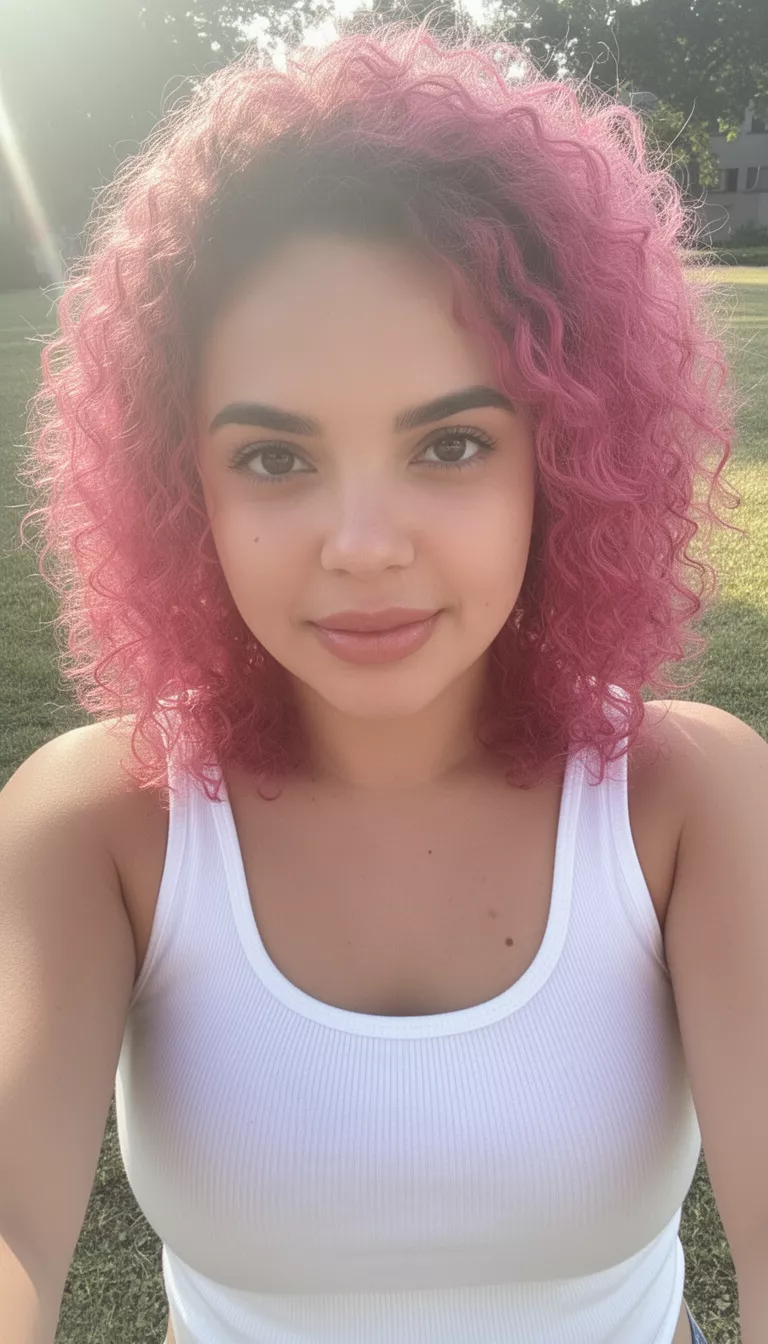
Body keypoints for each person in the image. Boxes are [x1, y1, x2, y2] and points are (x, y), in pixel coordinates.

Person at [2, 15, 767, 1344]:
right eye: (276, 460)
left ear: (566, 457)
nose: (361, 547)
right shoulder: (102, 822)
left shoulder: (687, 799)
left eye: (453, 444)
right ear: (182, 484)